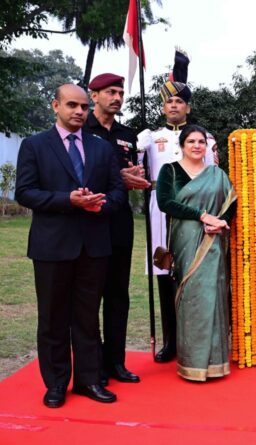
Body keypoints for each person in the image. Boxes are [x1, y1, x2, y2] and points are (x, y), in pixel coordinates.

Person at [15, 84, 126, 407]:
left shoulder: (101, 148)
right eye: (72, 105)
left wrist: (99, 205)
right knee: (52, 318)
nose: (79, 112)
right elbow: (25, 192)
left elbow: (118, 193)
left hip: (94, 246)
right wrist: (69, 200)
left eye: (84, 107)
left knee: (88, 317)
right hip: (51, 247)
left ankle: (89, 381)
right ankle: (56, 383)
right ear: (56, 105)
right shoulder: (34, 145)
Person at [137, 48, 217, 363]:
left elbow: (211, 177)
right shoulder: (149, 137)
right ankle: (170, 340)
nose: (174, 106)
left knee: (194, 275)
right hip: (160, 213)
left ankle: (194, 340)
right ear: (163, 106)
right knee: (164, 272)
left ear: (187, 107)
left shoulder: (204, 139)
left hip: (193, 214)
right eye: (169, 101)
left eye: (179, 101)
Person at [156, 125, 236, 381]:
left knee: (212, 292)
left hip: (213, 240)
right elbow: (165, 203)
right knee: (191, 294)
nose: (196, 146)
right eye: (191, 141)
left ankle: (215, 362)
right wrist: (200, 215)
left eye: (201, 141)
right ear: (182, 144)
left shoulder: (216, 173)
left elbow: (231, 201)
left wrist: (220, 221)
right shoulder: (169, 170)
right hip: (185, 239)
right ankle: (191, 362)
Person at [86, 73, 150, 384]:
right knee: (90, 294)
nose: (117, 98)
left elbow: (130, 173)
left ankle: (116, 362)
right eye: (110, 92)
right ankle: (93, 364)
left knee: (117, 295)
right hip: (90, 220)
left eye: (120, 93)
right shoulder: (82, 128)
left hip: (120, 220)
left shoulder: (127, 133)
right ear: (93, 94)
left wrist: (136, 176)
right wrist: (118, 179)